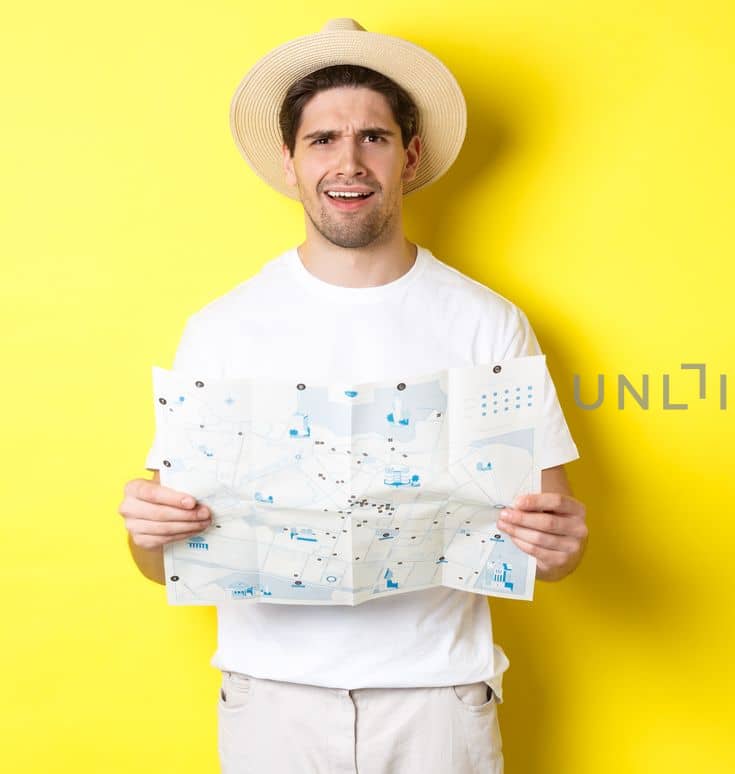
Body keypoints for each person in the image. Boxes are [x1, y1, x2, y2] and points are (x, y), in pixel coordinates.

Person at [115, 18, 589, 773]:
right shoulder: (223, 329)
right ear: (290, 161)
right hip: (271, 702)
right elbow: (160, 561)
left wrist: (560, 545)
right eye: (322, 139)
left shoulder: (486, 323)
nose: (349, 160)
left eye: (372, 137)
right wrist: (147, 535)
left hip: (438, 700)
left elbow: (552, 551)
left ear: (409, 155)